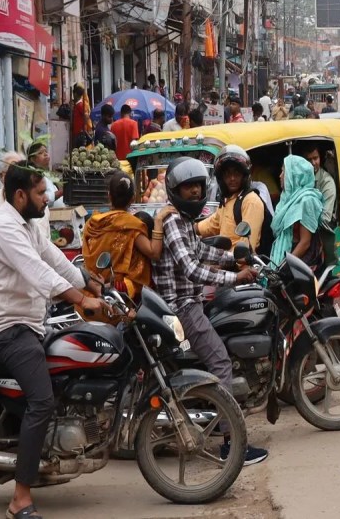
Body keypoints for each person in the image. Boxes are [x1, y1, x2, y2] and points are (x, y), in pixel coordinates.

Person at [0, 162, 108, 519]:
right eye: (39, 193)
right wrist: (81, 300)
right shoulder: (4, 225)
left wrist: (88, 280)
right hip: (7, 329)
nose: (46, 199)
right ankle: (19, 498)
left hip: (32, 323)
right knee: (41, 402)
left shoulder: (30, 221)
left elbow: (52, 258)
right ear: (21, 195)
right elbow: (37, 274)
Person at [151, 157, 268, 466]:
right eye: (188, 187)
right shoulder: (175, 221)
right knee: (220, 361)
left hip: (189, 303)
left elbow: (202, 251)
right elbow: (191, 268)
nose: (194, 192)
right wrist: (235, 276)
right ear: (175, 190)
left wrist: (237, 259)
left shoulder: (184, 221)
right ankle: (232, 444)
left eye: (198, 186)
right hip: (183, 307)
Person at [82, 172, 174, 306]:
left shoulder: (92, 223)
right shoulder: (132, 225)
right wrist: (158, 221)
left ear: (109, 196)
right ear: (132, 198)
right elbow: (154, 253)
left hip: (90, 290)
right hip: (119, 296)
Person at [196, 146, 266, 250]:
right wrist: (188, 228)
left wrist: (223, 262)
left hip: (239, 264)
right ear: (221, 178)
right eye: (227, 174)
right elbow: (211, 224)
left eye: (236, 173)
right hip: (224, 260)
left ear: (244, 175)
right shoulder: (228, 200)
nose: (232, 178)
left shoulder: (250, 201)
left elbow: (246, 248)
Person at [270, 155, 324, 272]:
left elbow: (305, 243)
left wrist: (284, 266)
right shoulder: (287, 199)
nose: (280, 176)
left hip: (300, 260)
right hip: (287, 255)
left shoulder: (306, 200)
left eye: (283, 172)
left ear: (294, 175)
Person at [298, 144, 336, 229]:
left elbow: (325, 218)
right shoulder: (300, 177)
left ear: (320, 158)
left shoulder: (327, 182)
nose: (313, 163)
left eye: (315, 158)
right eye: (308, 160)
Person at [27, 142, 62, 208]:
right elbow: (42, 200)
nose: (46, 154)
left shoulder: (47, 176)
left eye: (46, 151)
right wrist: (61, 192)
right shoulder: (33, 177)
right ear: (32, 159)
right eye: (40, 153)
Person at [71, 83, 92, 148]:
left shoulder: (80, 105)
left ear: (75, 94)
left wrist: (82, 128)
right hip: (78, 132)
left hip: (79, 133)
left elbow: (86, 116)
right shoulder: (78, 104)